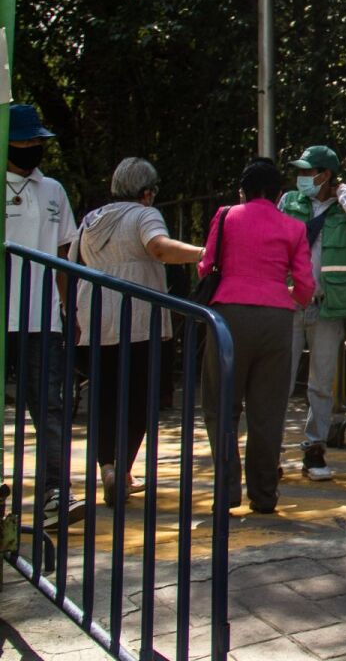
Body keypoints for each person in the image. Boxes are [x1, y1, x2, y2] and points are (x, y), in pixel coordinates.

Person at [69, 158, 205, 504]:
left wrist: (70, 313)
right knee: (140, 399)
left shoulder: (92, 220)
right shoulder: (144, 215)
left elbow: (69, 266)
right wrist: (205, 254)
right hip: (140, 323)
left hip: (95, 320)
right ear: (147, 192)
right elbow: (158, 247)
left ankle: (108, 467)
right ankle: (124, 468)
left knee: (104, 397)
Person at [199, 158, 314, 514]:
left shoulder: (225, 216)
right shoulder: (294, 227)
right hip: (277, 319)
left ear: (243, 192)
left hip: (228, 317)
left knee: (221, 405)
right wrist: (285, 296)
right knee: (267, 411)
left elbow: (206, 266)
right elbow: (305, 285)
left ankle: (227, 491)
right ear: (279, 195)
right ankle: (264, 494)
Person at [5, 103, 84, 528]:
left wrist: (69, 308)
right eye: (27, 140)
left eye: (39, 140)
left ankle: (56, 492)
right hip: (4, 317)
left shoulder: (53, 189)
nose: (35, 146)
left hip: (43, 318)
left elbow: (63, 254)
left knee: (50, 408)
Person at [278, 145, 346, 481]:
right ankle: (270, 452)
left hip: (327, 306)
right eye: (301, 171)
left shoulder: (343, 209)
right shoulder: (289, 202)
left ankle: (314, 449)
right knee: (279, 380)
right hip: (290, 302)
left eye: (309, 171)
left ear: (326, 175)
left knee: (321, 383)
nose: (302, 177)